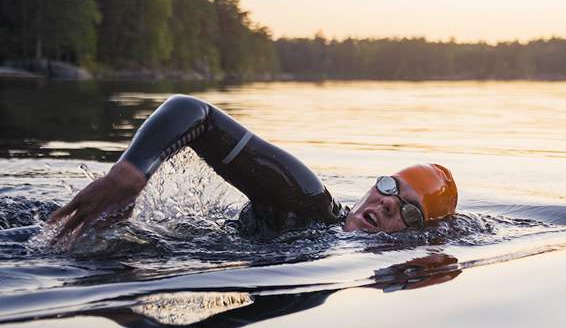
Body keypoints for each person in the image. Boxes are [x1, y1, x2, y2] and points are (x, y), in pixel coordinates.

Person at [48, 95, 458, 242]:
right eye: (390, 187)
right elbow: (196, 113)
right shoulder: (306, 201)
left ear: (419, 234)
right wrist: (130, 174)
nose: (388, 205)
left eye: (407, 212)